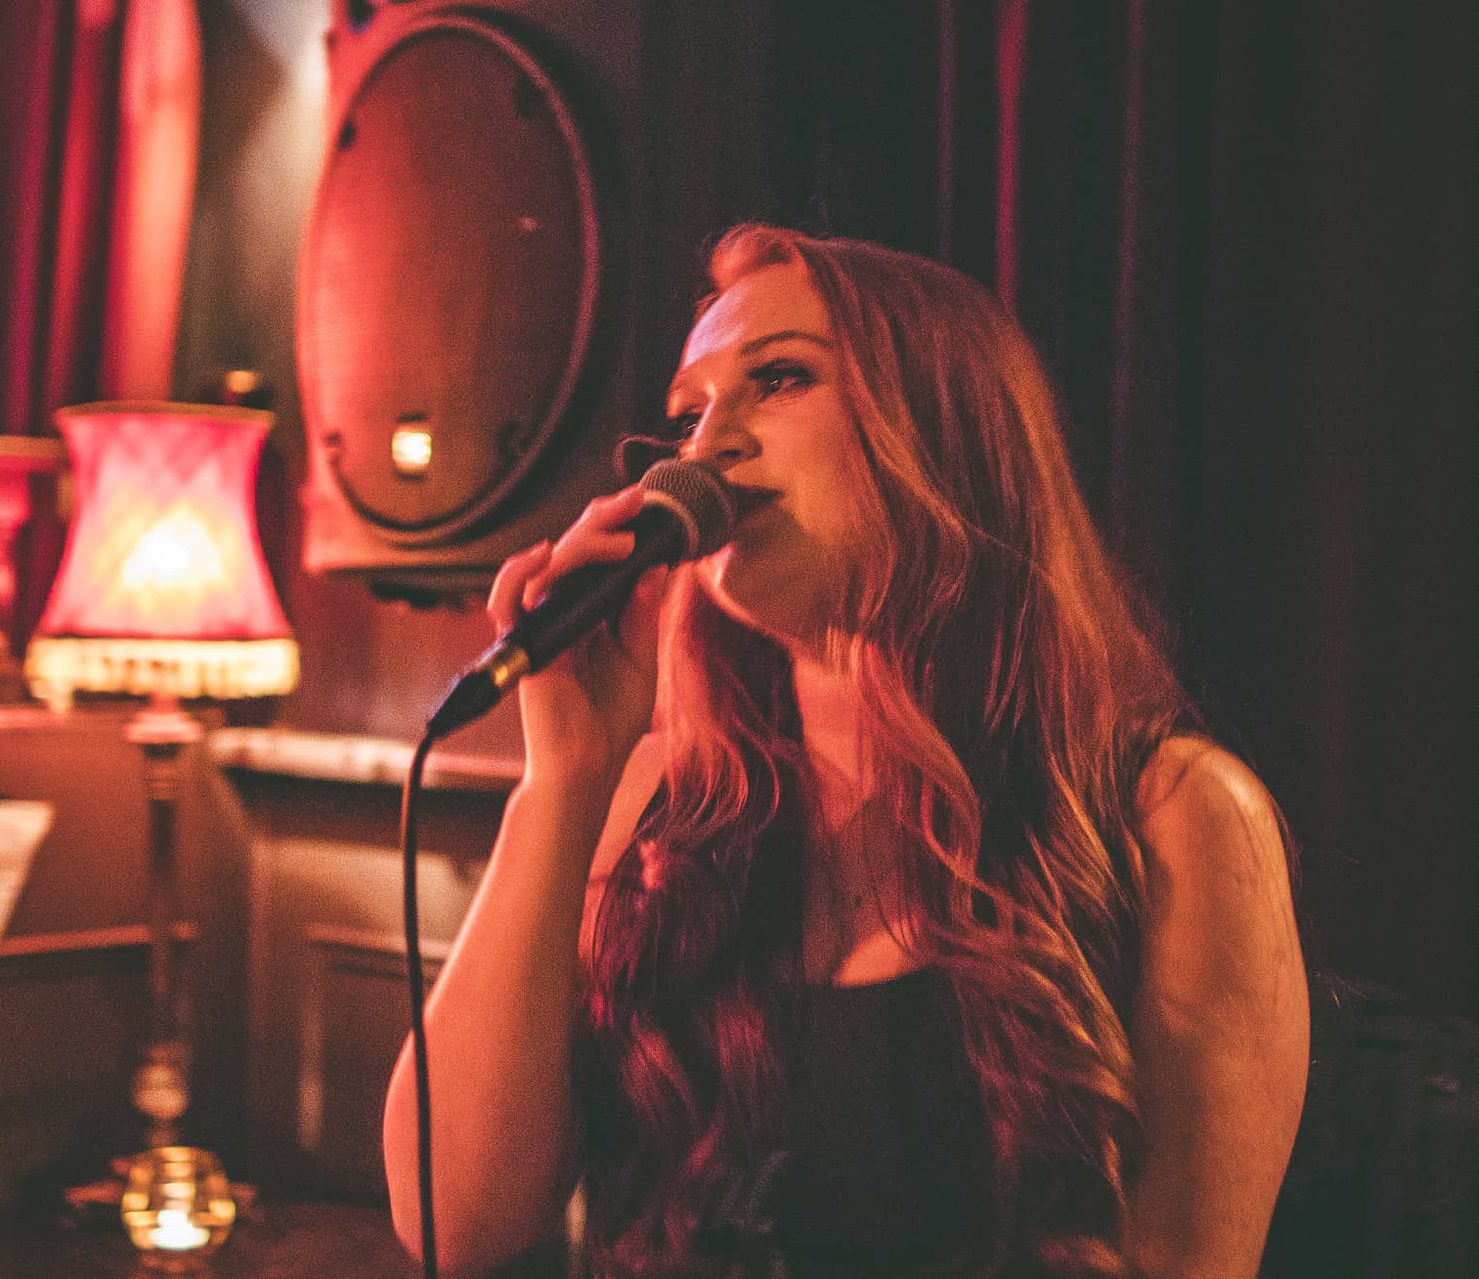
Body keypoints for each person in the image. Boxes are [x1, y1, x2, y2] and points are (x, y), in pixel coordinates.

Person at [382, 225, 1309, 1277]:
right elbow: (451, 1220)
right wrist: (564, 781)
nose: (710, 442)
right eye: (687, 412)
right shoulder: (650, 798)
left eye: (778, 379)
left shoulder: (1180, 814)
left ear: (945, 430)